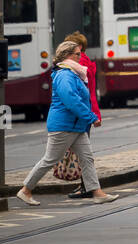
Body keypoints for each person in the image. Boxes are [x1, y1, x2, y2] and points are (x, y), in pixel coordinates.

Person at [16, 41, 118, 206]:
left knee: (87, 158)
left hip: (75, 126)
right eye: (77, 54)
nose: (80, 57)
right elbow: (72, 100)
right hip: (63, 126)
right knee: (50, 159)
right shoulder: (65, 75)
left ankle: (97, 192)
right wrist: (91, 117)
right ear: (68, 55)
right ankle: (26, 190)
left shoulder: (73, 73)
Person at [61, 31, 101, 199]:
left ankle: (86, 187)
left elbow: (74, 93)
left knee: (80, 153)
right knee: (84, 152)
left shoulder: (78, 64)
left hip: (82, 112)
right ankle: (88, 186)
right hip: (88, 109)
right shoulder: (86, 62)